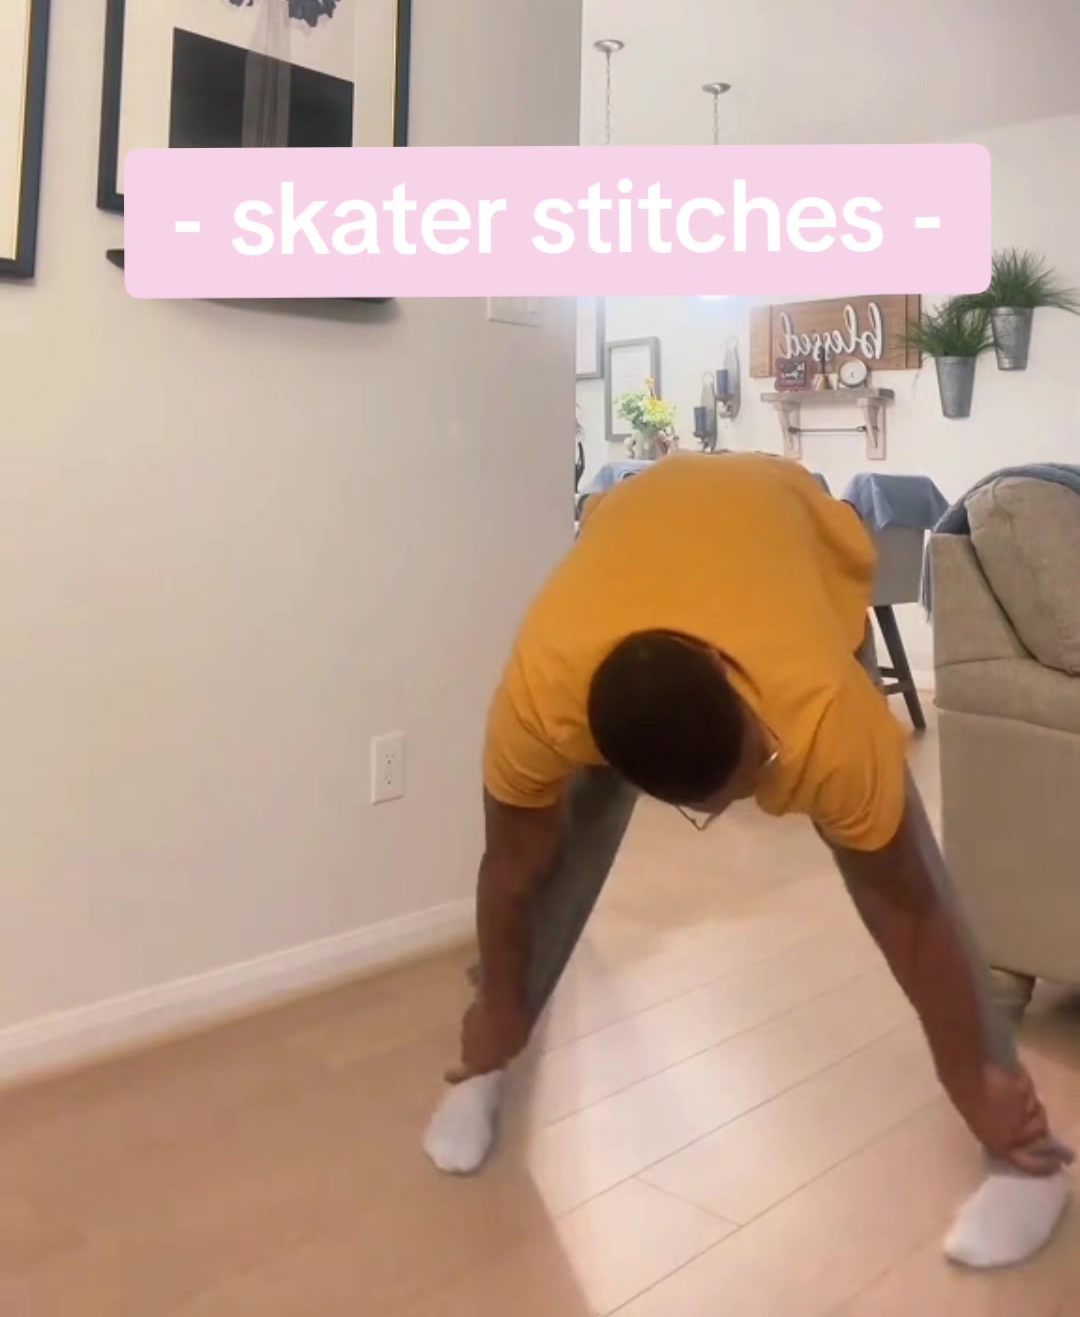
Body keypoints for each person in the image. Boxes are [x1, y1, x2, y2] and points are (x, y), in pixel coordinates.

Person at [423, 452, 1072, 1269]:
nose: (754, 803)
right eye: (717, 807)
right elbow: (509, 870)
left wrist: (971, 1080)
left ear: (738, 692)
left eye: (754, 773)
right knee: (552, 845)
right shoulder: (540, 697)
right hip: (637, 546)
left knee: (897, 862)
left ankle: (1025, 1158)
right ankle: (487, 1064)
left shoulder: (821, 714)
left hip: (790, 528)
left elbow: (911, 915)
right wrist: (496, 1009)